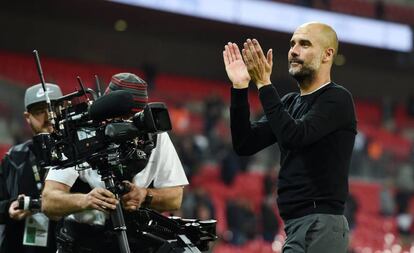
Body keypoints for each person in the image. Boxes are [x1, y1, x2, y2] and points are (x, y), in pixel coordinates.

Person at [223, 22, 356, 253]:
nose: (294, 50)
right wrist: (240, 87)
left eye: (304, 44)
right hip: (296, 226)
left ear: (327, 54)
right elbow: (245, 143)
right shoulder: (290, 102)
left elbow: (294, 136)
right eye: (292, 44)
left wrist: (264, 83)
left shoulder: (337, 99)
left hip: (321, 224)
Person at [41, 72, 189, 253]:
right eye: (121, 118)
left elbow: (175, 197)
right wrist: (85, 200)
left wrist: (144, 195)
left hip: (134, 239)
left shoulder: (153, 133)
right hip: (83, 241)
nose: (127, 125)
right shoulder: (81, 132)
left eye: (133, 119)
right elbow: (48, 201)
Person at [0, 83, 62, 253]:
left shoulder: (82, 156)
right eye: (39, 112)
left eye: (53, 109)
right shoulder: (14, 157)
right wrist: (9, 209)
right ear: (27, 117)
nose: (48, 117)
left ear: (64, 109)